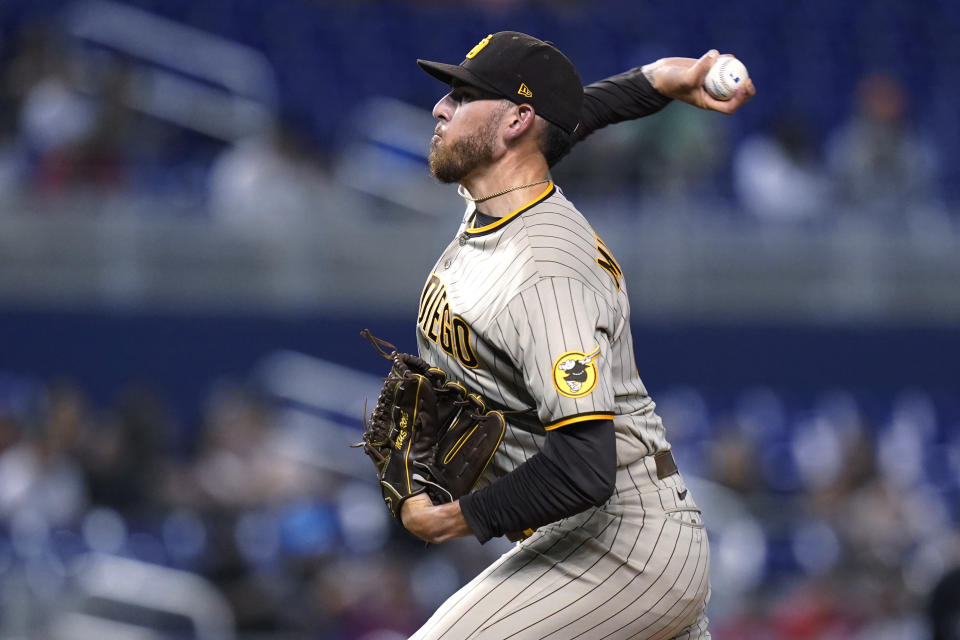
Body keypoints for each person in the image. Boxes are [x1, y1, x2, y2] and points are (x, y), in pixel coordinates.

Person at [397, 32, 754, 639]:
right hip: (591, 535)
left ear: (514, 120)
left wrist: (456, 519)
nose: (440, 108)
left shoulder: (544, 268)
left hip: (624, 548)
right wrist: (654, 83)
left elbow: (587, 468)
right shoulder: (500, 195)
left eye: (461, 95)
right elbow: (566, 119)